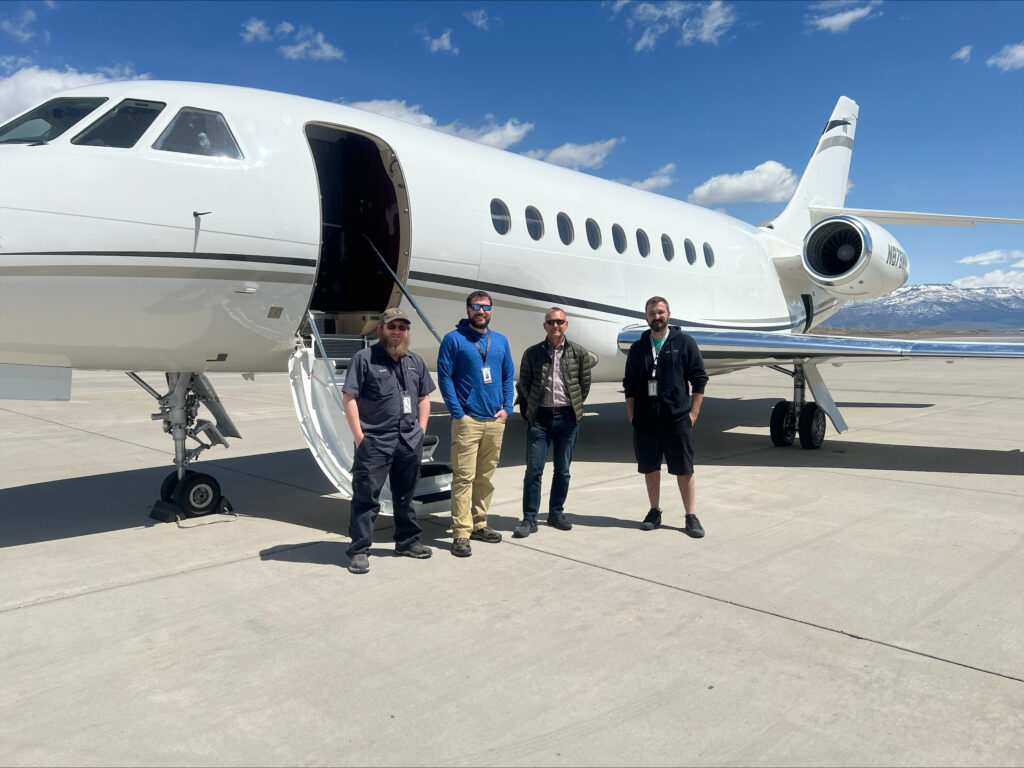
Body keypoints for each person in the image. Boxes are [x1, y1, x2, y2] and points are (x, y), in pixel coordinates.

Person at [341, 307, 436, 574]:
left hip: (408, 440)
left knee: (405, 496)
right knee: (366, 498)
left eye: (402, 328)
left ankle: (407, 542)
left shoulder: (415, 361)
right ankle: (359, 550)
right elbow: (349, 398)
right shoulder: (365, 358)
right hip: (375, 441)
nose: (397, 332)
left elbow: (424, 398)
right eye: (392, 327)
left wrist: (420, 430)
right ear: (382, 329)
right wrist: (360, 437)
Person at [436, 290, 515, 557]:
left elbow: (507, 376)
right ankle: (461, 532)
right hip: (468, 420)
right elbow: (445, 378)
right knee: (463, 478)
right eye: (476, 307)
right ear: (468, 309)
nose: (481, 312)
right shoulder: (453, 340)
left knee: (485, 477)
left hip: (494, 421)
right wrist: (458, 413)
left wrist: (506, 409)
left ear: (491, 310)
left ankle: (480, 524)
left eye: (485, 307)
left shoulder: (500, 341)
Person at [623, 296, 709, 538]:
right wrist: (632, 415)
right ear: (646, 317)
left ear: (669, 315)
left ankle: (690, 516)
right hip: (646, 420)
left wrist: (693, 413)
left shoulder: (684, 342)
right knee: (650, 467)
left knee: (684, 469)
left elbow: (699, 379)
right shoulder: (639, 348)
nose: (656, 316)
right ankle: (654, 511)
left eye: (660, 312)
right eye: (652, 313)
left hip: (677, 419)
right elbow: (629, 384)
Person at [513, 307, 592, 538]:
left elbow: (583, 385)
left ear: (566, 325)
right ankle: (529, 519)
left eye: (559, 322)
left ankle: (556, 513)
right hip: (540, 419)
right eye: (551, 322)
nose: (555, 326)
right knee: (534, 470)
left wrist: (572, 406)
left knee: (563, 470)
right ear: (545, 326)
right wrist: (532, 411)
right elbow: (524, 384)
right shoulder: (533, 353)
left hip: (567, 418)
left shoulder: (578, 353)